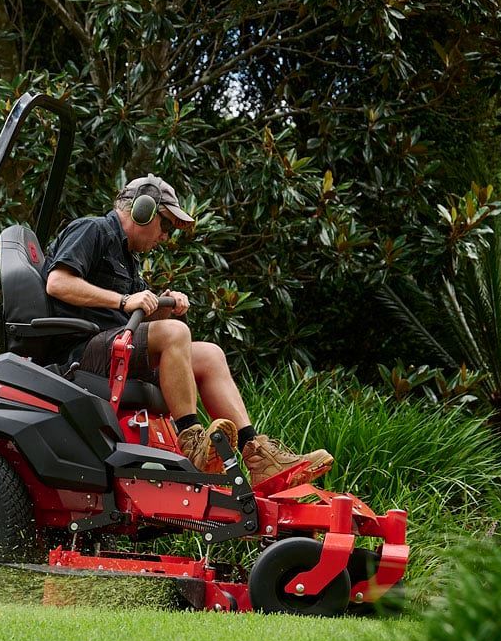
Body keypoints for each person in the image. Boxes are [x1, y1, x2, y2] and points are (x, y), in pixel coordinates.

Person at [42, 174, 333, 487]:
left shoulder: (128, 258)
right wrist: (125, 299)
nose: (166, 237)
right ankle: (191, 442)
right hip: (83, 353)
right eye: (165, 226)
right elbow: (58, 283)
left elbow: (144, 326)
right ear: (143, 210)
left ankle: (258, 454)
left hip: (118, 348)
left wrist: (164, 305)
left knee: (209, 354)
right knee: (176, 333)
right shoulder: (93, 229)